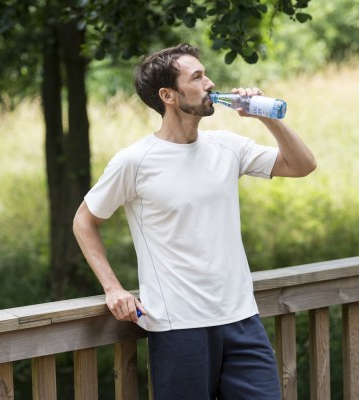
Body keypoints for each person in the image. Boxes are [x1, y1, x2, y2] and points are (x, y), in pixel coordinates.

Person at [72, 43, 316, 400]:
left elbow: (302, 166)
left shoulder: (228, 146)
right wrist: (113, 288)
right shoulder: (135, 161)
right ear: (168, 94)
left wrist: (268, 117)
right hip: (179, 326)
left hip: (241, 318)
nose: (210, 83)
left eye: (206, 74)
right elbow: (84, 221)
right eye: (197, 77)